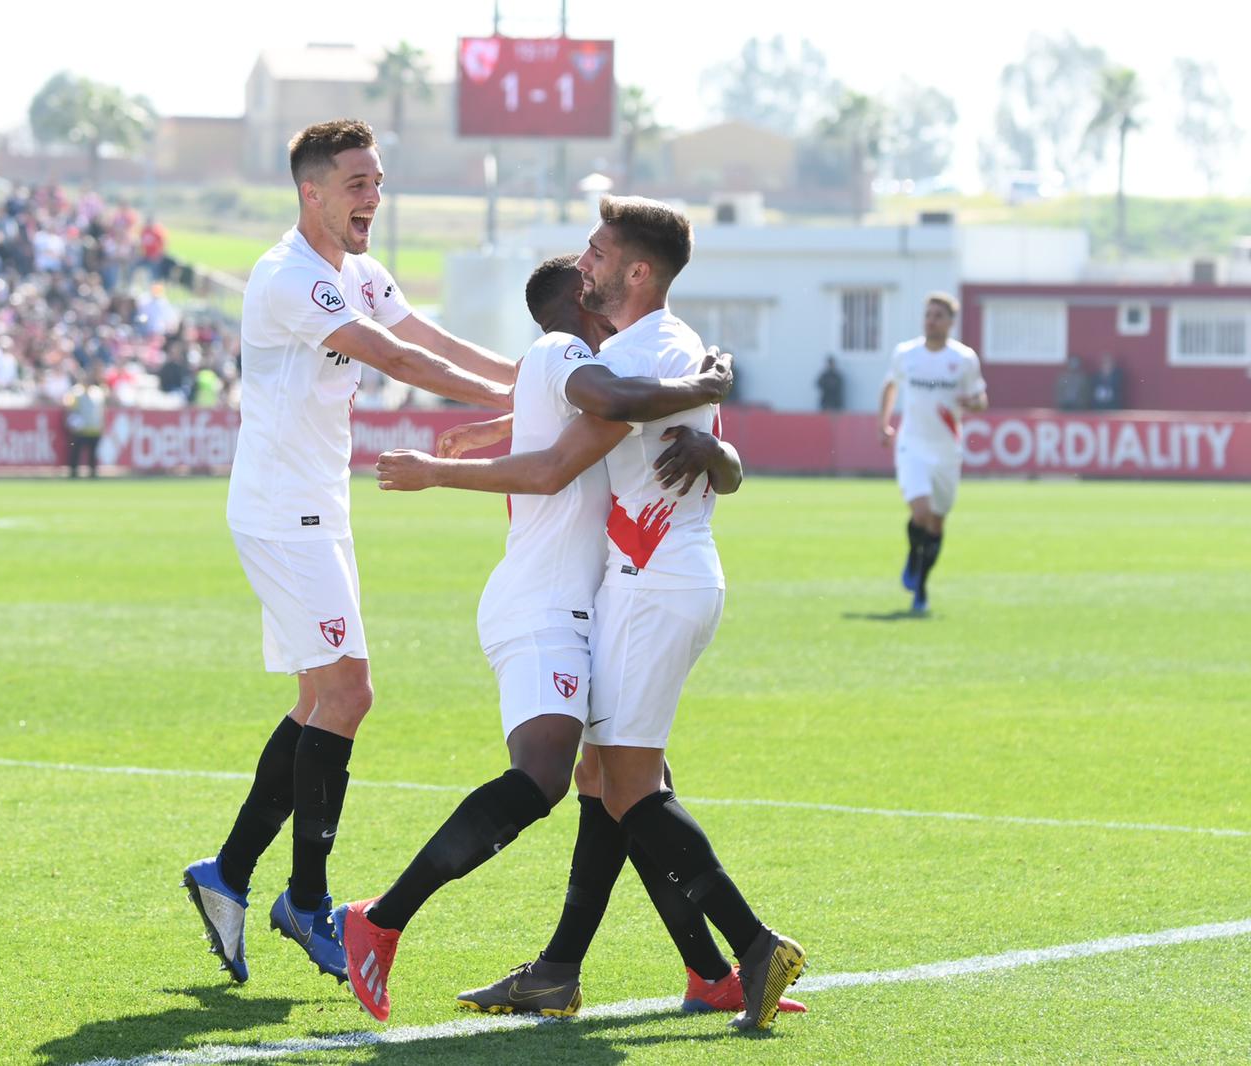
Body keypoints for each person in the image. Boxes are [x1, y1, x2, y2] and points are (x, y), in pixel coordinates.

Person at [337, 196, 807, 1032]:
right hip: (642, 580)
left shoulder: (640, 352)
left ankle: (752, 944)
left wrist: (713, 427)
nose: (584, 263)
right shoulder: (653, 352)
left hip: (647, 581)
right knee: (607, 781)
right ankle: (611, 970)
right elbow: (603, 420)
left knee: (622, 785)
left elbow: (568, 453)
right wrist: (713, 413)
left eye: (596, 251)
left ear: (634, 271)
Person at [180, 118, 524, 987]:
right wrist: (542, 394)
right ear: (314, 193)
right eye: (359, 183)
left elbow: (435, 338)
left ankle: (226, 875)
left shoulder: (361, 271)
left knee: (315, 702)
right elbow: (396, 355)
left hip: (313, 509)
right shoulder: (289, 277)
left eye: (378, 180)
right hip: (282, 511)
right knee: (349, 692)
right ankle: (305, 898)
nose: (374, 196)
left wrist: (535, 380)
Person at [877, 292, 988, 614]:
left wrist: (974, 404)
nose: (931, 320)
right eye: (928, 314)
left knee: (937, 522)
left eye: (939, 315)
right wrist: (883, 424)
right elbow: (889, 386)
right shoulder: (906, 354)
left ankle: (920, 581)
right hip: (912, 445)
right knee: (921, 512)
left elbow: (981, 398)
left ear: (951, 322)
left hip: (947, 451)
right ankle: (919, 582)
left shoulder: (963, 358)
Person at [64, 372, 106, 478]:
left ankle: (93, 473)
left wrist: (102, 425)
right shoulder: (75, 392)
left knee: (93, 454)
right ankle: (73, 472)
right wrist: (72, 423)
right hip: (80, 430)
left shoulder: (97, 392)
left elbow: (100, 411)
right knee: (75, 452)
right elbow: (69, 409)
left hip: (94, 429)